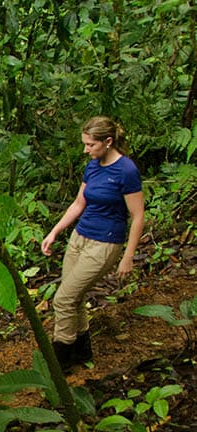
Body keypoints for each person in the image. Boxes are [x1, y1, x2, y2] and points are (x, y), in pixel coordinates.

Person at [40, 116, 145, 369]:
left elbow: (138, 215)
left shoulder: (126, 171)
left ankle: (60, 361)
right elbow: (79, 203)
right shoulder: (93, 166)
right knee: (73, 296)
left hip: (105, 243)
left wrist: (128, 256)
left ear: (108, 142)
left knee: (63, 299)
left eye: (90, 145)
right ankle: (81, 352)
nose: (86, 150)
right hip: (80, 237)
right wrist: (55, 232)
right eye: (85, 144)